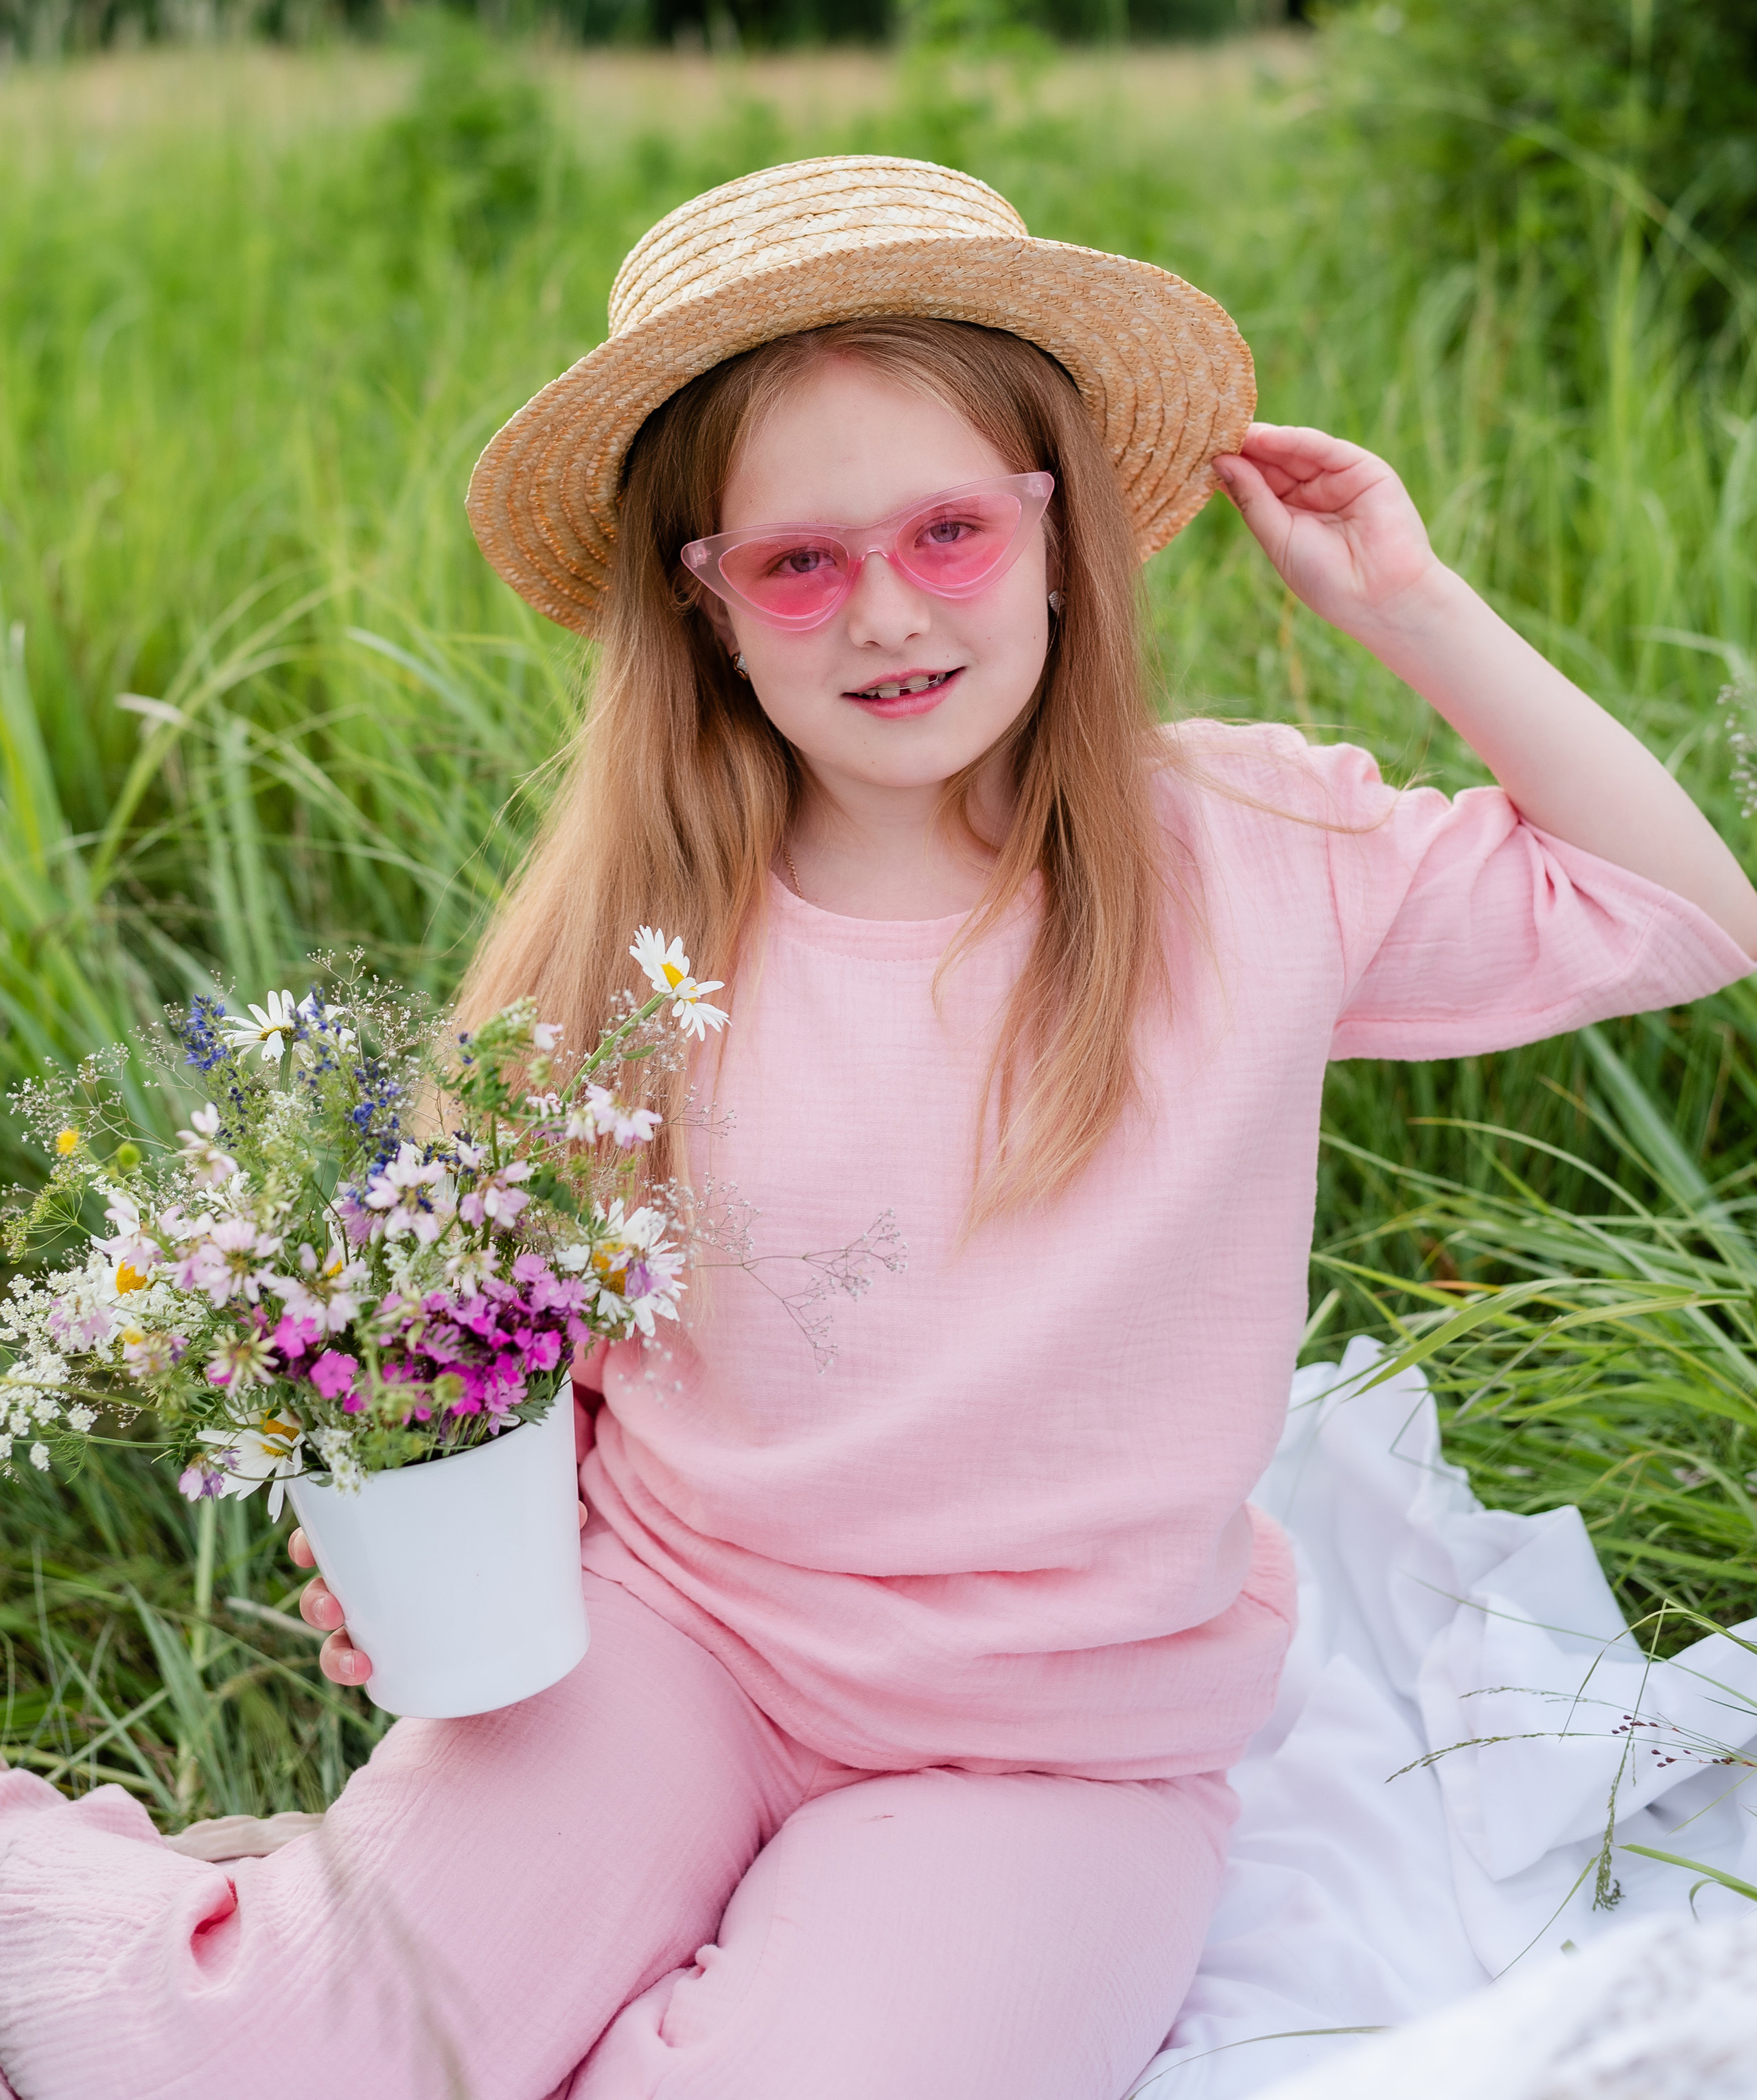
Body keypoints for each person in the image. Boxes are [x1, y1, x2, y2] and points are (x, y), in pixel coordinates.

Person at [1, 154, 1752, 2100]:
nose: (890, 614)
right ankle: (207, 1919)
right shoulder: (632, 935)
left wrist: (1407, 607)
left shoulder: (1252, 853)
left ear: (1066, 528)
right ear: (707, 602)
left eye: (949, 531)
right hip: (666, 1650)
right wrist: (407, 1532)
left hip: (1048, 1752)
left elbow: (1682, 913)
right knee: (233, 2057)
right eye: (800, 561)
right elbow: (498, 1343)